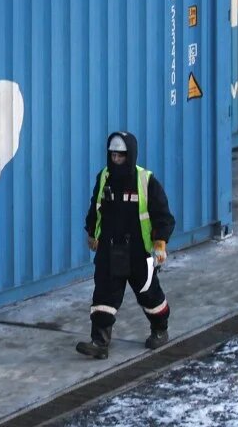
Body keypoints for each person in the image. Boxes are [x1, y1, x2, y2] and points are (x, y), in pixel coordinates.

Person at [75, 130, 175, 359]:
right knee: (104, 295)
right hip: (110, 249)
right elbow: (95, 209)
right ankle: (99, 343)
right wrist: (92, 232)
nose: (116, 160)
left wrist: (160, 242)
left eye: (121, 156)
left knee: (148, 293)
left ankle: (160, 329)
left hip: (138, 251)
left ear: (130, 155)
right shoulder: (104, 178)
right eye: (113, 156)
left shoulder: (146, 181)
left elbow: (163, 216)